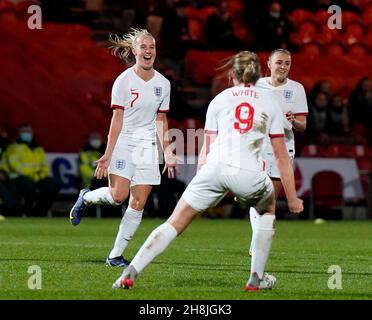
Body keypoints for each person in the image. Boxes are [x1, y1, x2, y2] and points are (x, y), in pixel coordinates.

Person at [112, 50, 304, 291]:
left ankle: (131, 271)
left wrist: (203, 181)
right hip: (249, 173)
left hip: (214, 168)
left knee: (175, 222)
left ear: (232, 74)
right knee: (267, 210)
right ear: (257, 75)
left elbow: (206, 149)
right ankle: (256, 277)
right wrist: (293, 197)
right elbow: (281, 156)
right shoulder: (270, 103)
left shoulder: (219, 99)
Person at [69, 28, 177, 268]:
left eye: (152, 47)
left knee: (138, 202)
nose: (148, 51)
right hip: (125, 141)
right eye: (144, 47)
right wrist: (108, 153)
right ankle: (86, 197)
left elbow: (161, 120)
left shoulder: (164, 84)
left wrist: (167, 151)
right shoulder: (124, 81)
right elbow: (117, 119)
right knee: (118, 196)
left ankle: (115, 255)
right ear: (134, 51)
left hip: (147, 146)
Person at [249, 49, 308, 251]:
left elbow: (303, 125)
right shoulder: (257, 85)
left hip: (283, 147)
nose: (283, 67)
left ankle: (258, 236)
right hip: (259, 144)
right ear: (269, 64)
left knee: (270, 198)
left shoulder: (297, 89)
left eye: (287, 63)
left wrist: (294, 121)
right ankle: (256, 240)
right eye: (279, 62)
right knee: (259, 194)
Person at [1, 123, 60, 216]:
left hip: (37, 177)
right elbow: (16, 167)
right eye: (24, 131)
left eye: (29, 131)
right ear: (19, 133)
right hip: (19, 177)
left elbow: (45, 166)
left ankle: (40, 210)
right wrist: (34, 174)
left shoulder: (38, 148)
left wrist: (39, 175)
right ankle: (26, 210)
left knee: (54, 184)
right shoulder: (13, 147)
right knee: (28, 184)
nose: (27, 134)